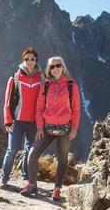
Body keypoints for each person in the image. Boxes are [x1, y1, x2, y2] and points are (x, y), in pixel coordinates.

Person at [20, 56, 80, 200]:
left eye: (57, 65)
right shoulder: (45, 86)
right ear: (49, 69)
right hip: (47, 128)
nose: (55, 69)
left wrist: (74, 128)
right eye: (52, 67)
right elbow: (39, 108)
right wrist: (40, 128)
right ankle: (32, 185)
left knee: (63, 159)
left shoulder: (71, 86)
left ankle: (57, 189)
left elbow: (76, 109)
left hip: (64, 129)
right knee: (32, 155)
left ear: (63, 67)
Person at [0, 47, 43, 188]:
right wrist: (8, 121)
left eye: (32, 59)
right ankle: (4, 178)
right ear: (23, 61)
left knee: (29, 151)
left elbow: (45, 102)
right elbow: (7, 102)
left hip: (34, 123)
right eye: (27, 59)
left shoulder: (42, 78)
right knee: (12, 150)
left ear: (36, 61)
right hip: (17, 122)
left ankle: (26, 177)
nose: (29, 62)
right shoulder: (15, 78)